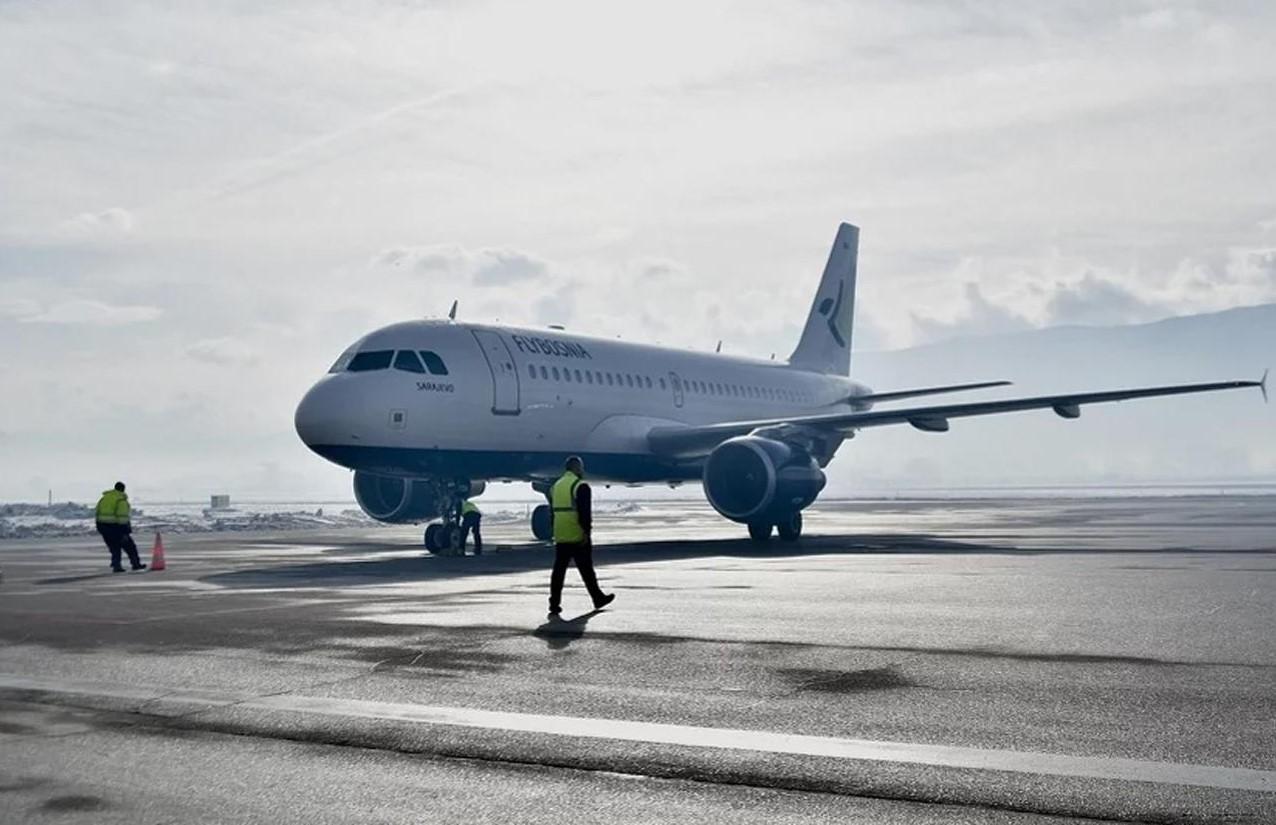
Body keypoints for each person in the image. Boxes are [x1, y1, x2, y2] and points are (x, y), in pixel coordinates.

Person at [548, 456, 614, 616]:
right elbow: (585, 513)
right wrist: (586, 532)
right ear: (576, 468)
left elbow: (552, 512)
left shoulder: (555, 486)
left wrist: (554, 530)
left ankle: (554, 603)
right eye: (581, 467)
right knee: (586, 570)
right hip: (577, 534)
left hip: (561, 534)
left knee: (558, 571)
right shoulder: (580, 486)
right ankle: (597, 598)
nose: (582, 470)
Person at [95, 482, 146, 573]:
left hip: (103, 526)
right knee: (130, 547)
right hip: (115, 527)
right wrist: (125, 531)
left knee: (114, 547)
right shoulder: (120, 500)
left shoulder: (104, 498)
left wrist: (99, 527)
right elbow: (122, 518)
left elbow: (97, 513)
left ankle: (116, 565)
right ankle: (135, 564)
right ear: (123, 489)